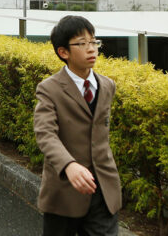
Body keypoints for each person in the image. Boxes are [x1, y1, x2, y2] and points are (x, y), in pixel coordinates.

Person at [33, 15, 121, 236]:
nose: (91, 49)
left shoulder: (107, 85)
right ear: (64, 52)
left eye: (93, 42)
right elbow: (45, 133)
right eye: (82, 43)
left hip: (103, 189)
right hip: (64, 191)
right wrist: (68, 165)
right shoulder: (49, 89)